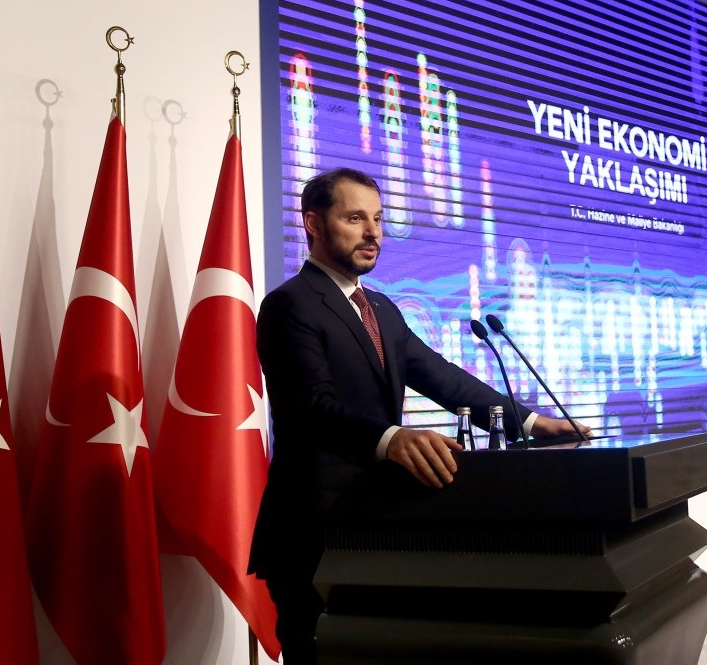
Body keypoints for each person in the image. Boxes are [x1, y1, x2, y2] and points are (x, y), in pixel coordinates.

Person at [248, 167, 587, 663]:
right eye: (356, 218)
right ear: (314, 225)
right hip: (314, 529)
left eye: (379, 220)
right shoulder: (289, 305)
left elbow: (445, 379)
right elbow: (310, 407)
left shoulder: (382, 308)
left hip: (379, 525)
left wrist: (533, 423)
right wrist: (391, 439)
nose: (373, 233)